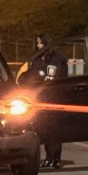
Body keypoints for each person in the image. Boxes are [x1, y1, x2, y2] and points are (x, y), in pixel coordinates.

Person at [28, 33, 68, 168]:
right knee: (43, 129)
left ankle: (56, 158)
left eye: (41, 43)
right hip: (40, 99)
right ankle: (48, 157)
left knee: (55, 130)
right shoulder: (36, 60)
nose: (39, 46)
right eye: (37, 43)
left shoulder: (58, 59)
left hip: (55, 98)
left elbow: (63, 79)